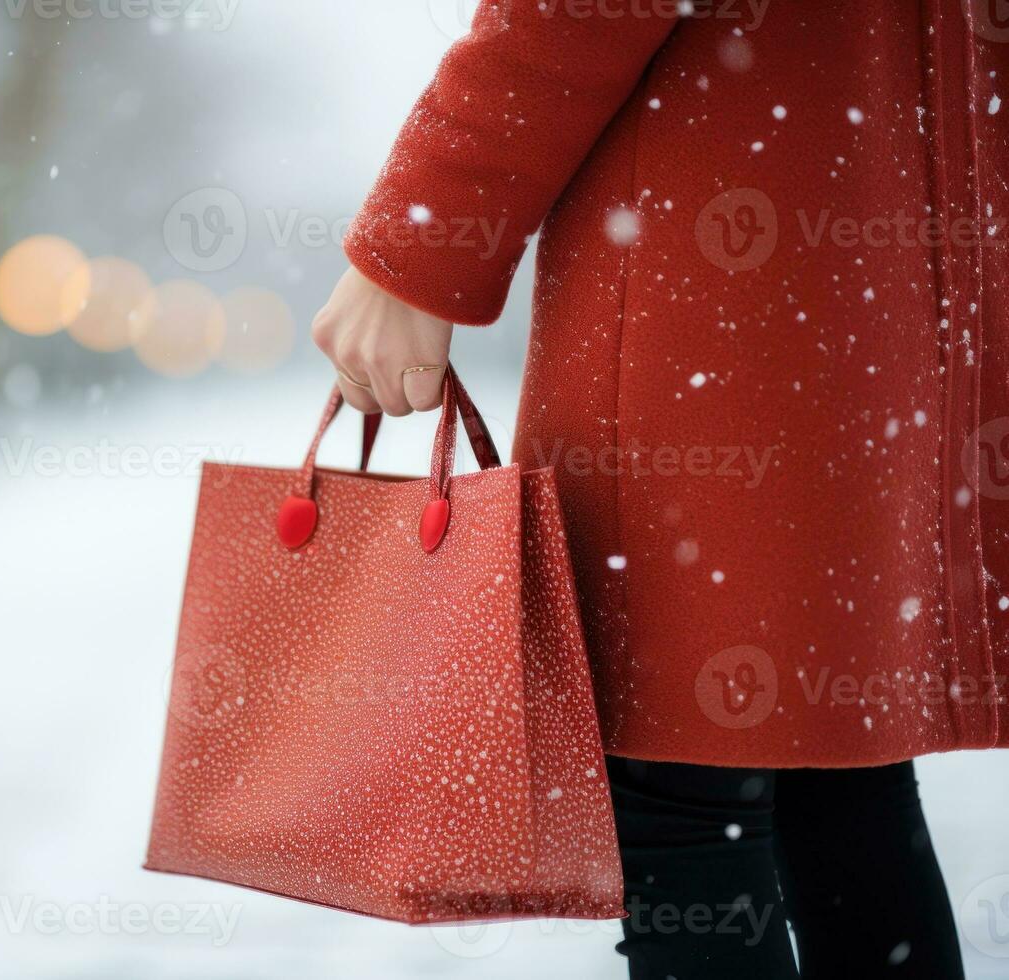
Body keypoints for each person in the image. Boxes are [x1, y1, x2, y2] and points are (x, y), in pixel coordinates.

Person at [313, 2, 1007, 976]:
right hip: (869, 278)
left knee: (684, 790)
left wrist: (414, 247)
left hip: (721, 284)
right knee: (835, 772)